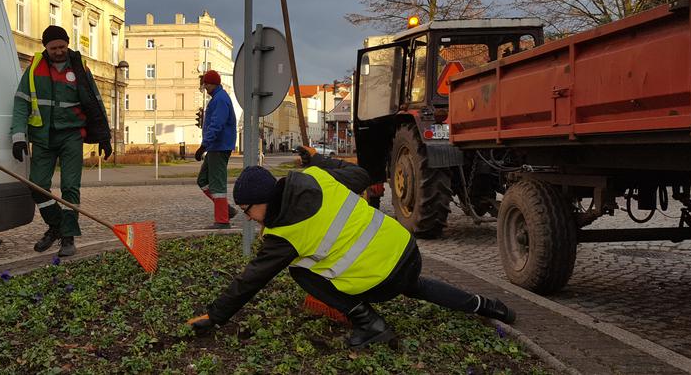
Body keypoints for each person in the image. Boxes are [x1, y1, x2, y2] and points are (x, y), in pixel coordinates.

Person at [187, 147, 516, 348]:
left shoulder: (284, 236)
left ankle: (371, 324)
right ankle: (488, 305)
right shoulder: (316, 176)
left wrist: (214, 317)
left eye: (247, 211)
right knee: (416, 286)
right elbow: (360, 174)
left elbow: (251, 280)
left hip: (381, 280)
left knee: (300, 269)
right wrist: (320, 159)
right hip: (406, 251)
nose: (248, 218)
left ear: (262, 202)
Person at [11, 25, 112, 257]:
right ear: (45, 47)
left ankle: (68, 237)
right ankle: (56, 225)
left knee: (69, 187)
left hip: (71, 136)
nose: (59, 51)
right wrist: (18, 137)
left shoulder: (79, 68)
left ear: (68, 44)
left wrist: (104, 137)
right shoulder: (34, 69)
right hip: (43, 137)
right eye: (54, 47)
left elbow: (96, 103)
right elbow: (21, 103)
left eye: (62, 46)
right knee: (36, 185)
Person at [194, 70, 238, 229]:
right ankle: (225, 210)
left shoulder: (220, 100)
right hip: (215, 147)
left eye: (206, 83)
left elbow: (216, 125)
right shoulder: (218, 98)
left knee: (217, 184)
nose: (204, 87)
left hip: (218, 147)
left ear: (213, 83)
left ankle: (222, 220)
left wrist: (204, 145)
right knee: (203, 181)